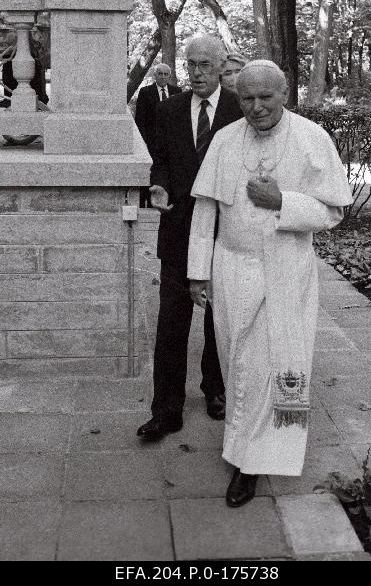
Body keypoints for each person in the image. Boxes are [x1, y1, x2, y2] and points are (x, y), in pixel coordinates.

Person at [187, 60, 353, 507]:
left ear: (284, 95)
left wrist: (283, 201)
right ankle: (244, 446)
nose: (256, 107)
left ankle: (254, 461)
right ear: (237, 98)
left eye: (266, 96)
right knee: (235, 362)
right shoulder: (225, 139)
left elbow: (333, 212)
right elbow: (205, 212)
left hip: (285, 270)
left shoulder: (311, 138)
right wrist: (197, 271)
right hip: (230, 268)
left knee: (273, 366)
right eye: (247, 98)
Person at [137, 36, 243, 442]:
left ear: (220, 67)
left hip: (224, 231)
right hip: (178, 231)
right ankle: (166, 410)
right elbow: (159, 160)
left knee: (219, 318)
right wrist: (158, 187)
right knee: (171, 325)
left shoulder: (239, 110)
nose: (195, 72)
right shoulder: (169, 108)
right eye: (190, 64)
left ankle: (214, 390)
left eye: (203, 65)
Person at [135, 63, 182, 208]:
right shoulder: (145, 92)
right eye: (160, 73)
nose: (162, 76)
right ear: (155, 75)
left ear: (169, 76)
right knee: (151, 169)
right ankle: (148, 201)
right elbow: (140, 119)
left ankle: (169, 198)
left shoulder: (177, 91)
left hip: (171, 140)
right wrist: (143, 143)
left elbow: (180, 118)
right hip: (151, 141)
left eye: (165, 74)